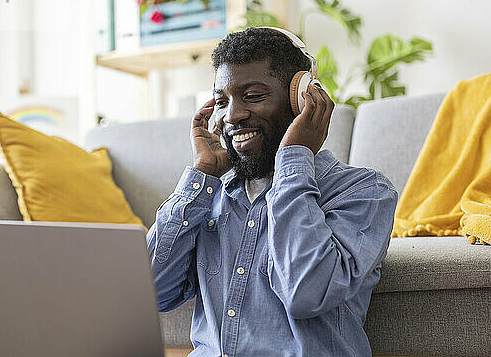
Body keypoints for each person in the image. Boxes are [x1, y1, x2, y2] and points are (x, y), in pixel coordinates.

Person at [146, 27, 398, 357]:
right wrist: (201, 175)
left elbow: (306, 293)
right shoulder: (209, 196)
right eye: (222, 101)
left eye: (252, 96)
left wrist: (294, 157)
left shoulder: (364, 192)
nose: (232, 115)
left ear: (301, 99)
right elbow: (151, 294)